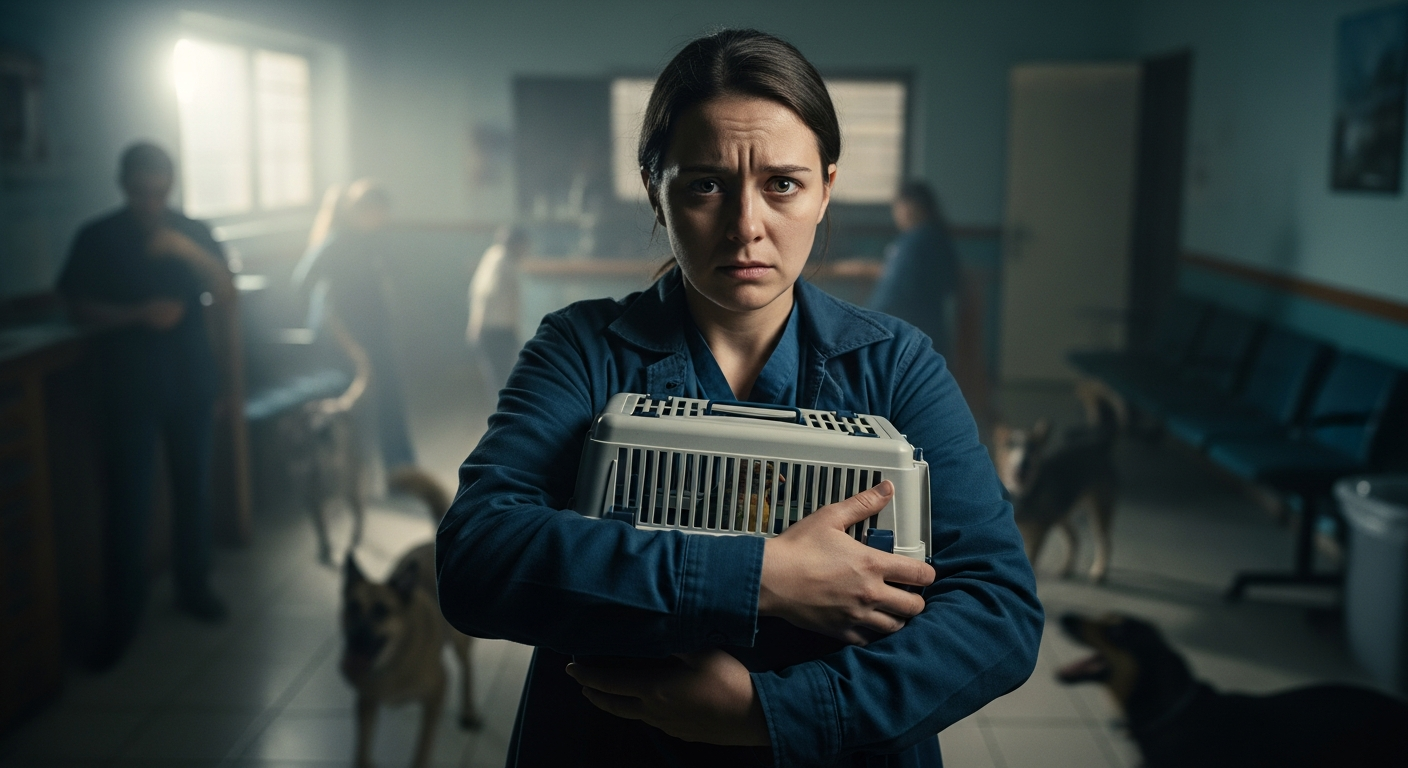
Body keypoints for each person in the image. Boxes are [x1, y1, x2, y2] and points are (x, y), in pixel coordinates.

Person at [436, 30, 1041, 767]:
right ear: (656, 189)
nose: (746, 226)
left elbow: (998, 610)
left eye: (782, 184)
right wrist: (763, 578)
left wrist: (772, 713)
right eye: (704, 184)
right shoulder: (581, 349)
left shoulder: (896, 365)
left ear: (826, 190)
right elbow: (478, 557)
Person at [58, 142, 234, 669]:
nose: (149, 203)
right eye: (140, 192)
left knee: (193, 489)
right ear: (124, 185)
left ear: (171, 186)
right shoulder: (97, 236)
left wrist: (184, 250)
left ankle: (193, 587)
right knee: (127, 506)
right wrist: (135, 314)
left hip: (190, 381)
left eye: (159, 193)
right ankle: (122, 618)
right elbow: (75, 305)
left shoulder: (192, 232)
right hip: (127, 388)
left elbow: (225, 290)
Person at [292, 179, 416, 473]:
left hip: (377, 332)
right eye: (379, 211)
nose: (384, 219)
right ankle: (359, 474)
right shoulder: (335, 243)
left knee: (390, 400)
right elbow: (301, 283)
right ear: (363, 210)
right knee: (359, 408)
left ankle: (400, 469)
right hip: (351, 339)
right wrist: (331, 326)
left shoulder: (372, 241)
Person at [869, 180, 962, 358]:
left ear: (911, 206)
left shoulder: (915, 243)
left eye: (897, 206)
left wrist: (867, 323)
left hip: (907, 333)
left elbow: (891, 295)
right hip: (930, 330)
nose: (895, 212)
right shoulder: (936, 237)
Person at [466, 225, 528, 397]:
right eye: (524, 245)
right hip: (495, 332)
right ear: (517, 244)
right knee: (502, 383)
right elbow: (485, 295)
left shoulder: (495, 256)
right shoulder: (501, 261)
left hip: (496, 331)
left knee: (502, 382)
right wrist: (476, 327)